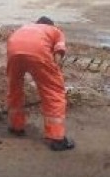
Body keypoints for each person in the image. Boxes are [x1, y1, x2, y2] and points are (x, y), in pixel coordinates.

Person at [6, 16, 74, 151]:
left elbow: (15, 42)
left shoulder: (26, 27)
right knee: (54, 92)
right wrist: (55, 72)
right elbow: (58, 54)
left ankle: (16, 127)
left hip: (13, 50)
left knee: (14, 88)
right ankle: (57, 139)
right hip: (38, 51)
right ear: (52, 25)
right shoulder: (55, 31)